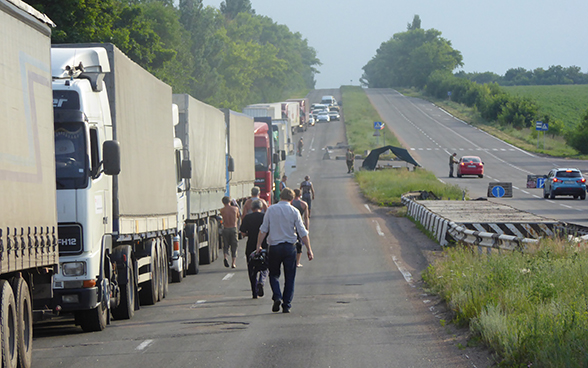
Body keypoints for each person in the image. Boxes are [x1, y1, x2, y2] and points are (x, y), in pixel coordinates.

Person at [256, 188, 313, 313]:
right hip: (289, 247)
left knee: (274, 274)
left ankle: (277, 296)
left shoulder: (271, 210)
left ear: (280, 196)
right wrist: (309, 249)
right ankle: (286, 305)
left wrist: (258, 245)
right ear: (292, 199)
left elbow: (263, 229)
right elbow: (302, 232)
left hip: (274, 247)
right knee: (290, 277)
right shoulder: (294, 211)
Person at [240, 200, 268, 298]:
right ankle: (261, 281)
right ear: (261, 208)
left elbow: (242, 232)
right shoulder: (265, 217)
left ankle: (254, 292)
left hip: (251, 246)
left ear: (251, 208)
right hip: (264, 245)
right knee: (265, 267)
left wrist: (249, 234)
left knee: (252, 270)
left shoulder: (247, 218)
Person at [220, 196, 240, 268]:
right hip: (233, 228)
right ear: (230, 201)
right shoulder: (235, 209)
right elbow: (238, 216)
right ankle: (233, 263)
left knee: (225, 245)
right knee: (234, 246)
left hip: (225, 228)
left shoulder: (222, 210)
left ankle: (225, 257)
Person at [291, 189, 309, 268]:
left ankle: (291, 260)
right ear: (300, 194)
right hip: (300, 224)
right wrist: (307, 228)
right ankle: (297, 262)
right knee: (299, 244)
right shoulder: (304, 204)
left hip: (291, 224)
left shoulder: (290, 203)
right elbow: (306, 217)